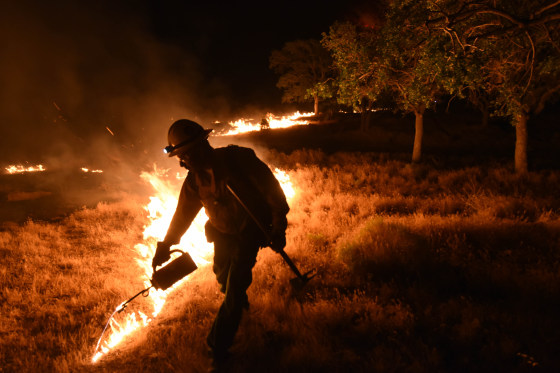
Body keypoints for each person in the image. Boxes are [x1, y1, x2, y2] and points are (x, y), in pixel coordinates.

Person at [152, 119, 289, 367]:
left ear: (200, 147)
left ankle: (218, 347)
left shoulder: (239, 160)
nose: (182, 162)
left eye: (185, 155)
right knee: (223, 278)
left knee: (235, 287)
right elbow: (183, 214)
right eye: (180, 157)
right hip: (221, 234)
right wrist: (166, 245)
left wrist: (278, 228)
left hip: (250, 231)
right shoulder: (195, 180)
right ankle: (237, 303)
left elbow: (273, 191)